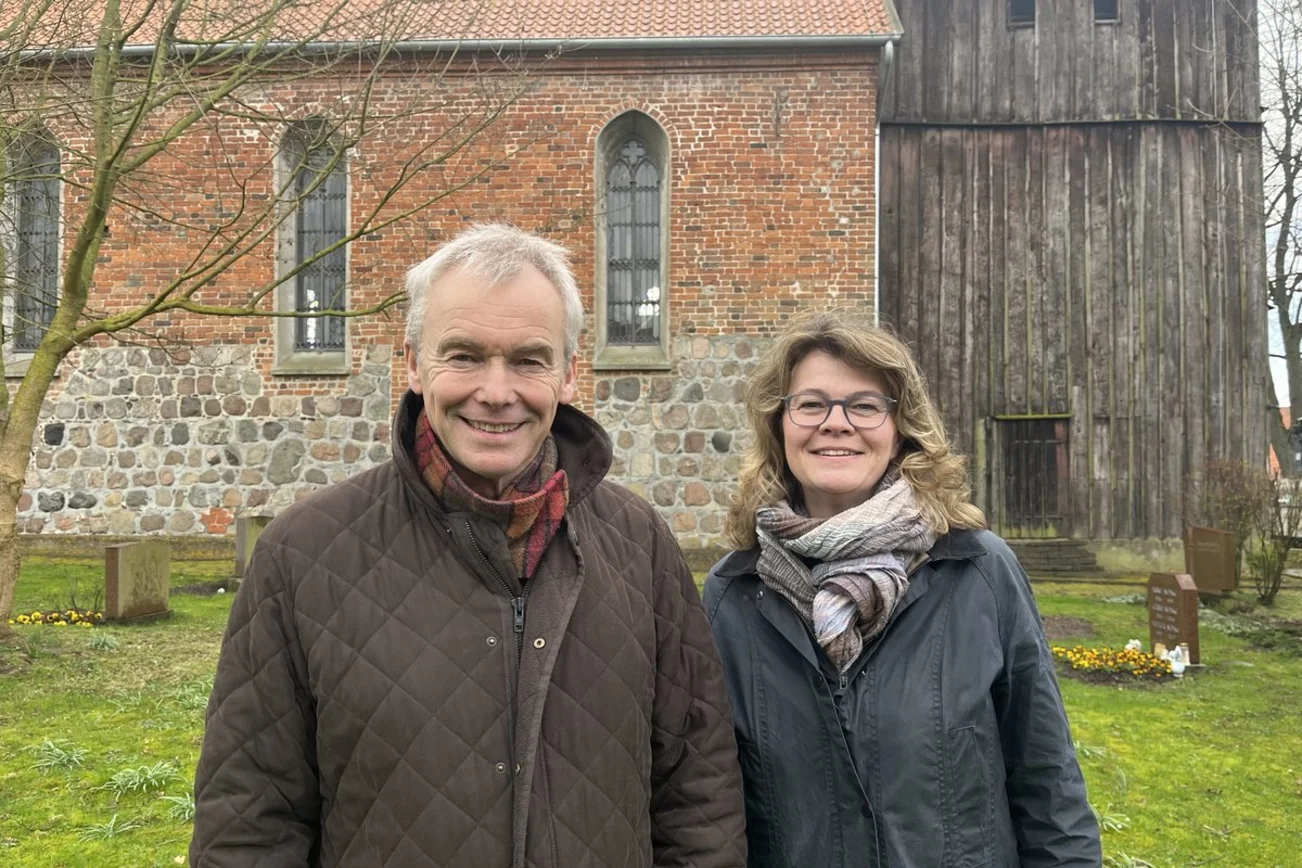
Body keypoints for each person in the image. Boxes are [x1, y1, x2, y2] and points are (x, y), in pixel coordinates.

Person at [191, 224, 746, 868]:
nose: (496, 391)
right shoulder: (304, 554)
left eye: (529, 360)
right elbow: (251, 820)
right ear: (413, 365)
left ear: (569, 375)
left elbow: (697, 791)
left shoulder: (640, 544)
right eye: (463, 355)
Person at [703, 311, 1101, 868]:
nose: (834, 423)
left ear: (901, 429)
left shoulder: (978, 570)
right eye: (810, 403)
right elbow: (709, 806)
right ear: (779, 424)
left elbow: (1048, 781)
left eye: (865, 405)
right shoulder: (733, 593)